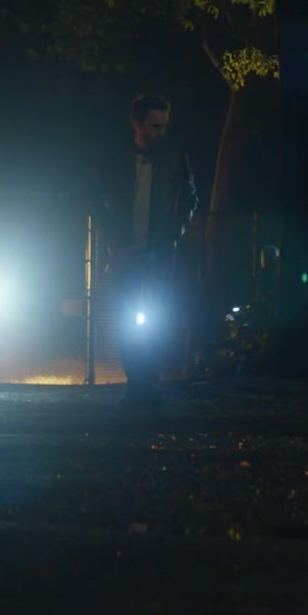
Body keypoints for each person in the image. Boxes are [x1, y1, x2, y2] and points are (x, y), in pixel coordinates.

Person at [100, 94, 198, 406]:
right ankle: (138, 383)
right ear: (138, 124)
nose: (161, 132)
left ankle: (148, 384)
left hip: (157, 249)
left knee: (156, 317)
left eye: (164, 126)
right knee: (128, 318)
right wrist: (113, 237)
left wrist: (173, 232)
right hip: (127, 250)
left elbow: (190, 196)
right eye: (155, 126)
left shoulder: (172, 157)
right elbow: (99, 199)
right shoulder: (118, 158)